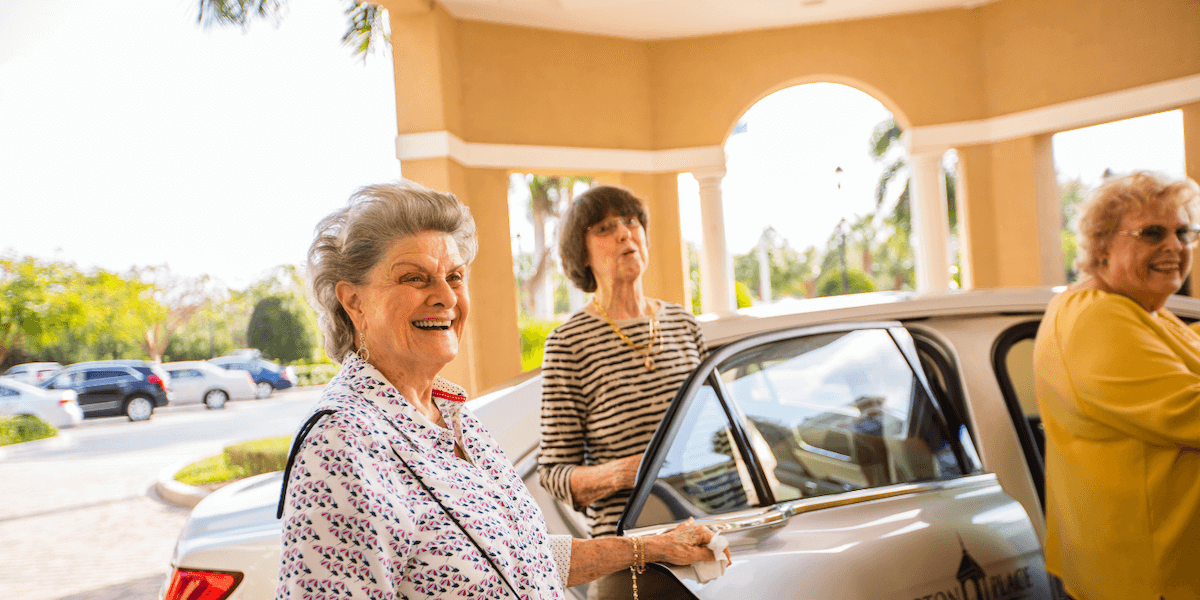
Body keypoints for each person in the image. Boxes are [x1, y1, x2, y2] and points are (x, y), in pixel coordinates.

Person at [277, 180, 720, 600]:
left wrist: (654, 548)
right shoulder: (341, 444)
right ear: (353, 301)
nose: (446, 298)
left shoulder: (454, 416)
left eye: (454, 276)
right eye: (415, 278)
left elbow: (525, 559)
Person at [1033, 171, 1200, 600]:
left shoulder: (1149, 312)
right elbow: (1190, 412)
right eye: (1152, 233)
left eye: (1183, 232)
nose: (1176, 247)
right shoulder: (1097, 317)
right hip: (1149, 579)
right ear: (1102, 246)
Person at [537, 185, 709, 599]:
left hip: (706, 536)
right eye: (605, 227)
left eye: (632, 222)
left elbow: (713, 428)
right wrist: (630, 471)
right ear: (582, 255)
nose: (625, 234)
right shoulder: (569, 343)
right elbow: (555, 474)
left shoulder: (684, 325)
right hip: (635, 564)